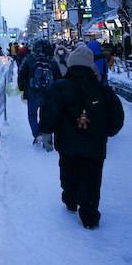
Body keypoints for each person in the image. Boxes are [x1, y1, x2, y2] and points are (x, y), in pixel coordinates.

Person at [38, 45, 124, 229]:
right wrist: (106, 132)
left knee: (69, 173)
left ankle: (70, 199)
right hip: (95, 147)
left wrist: (47, 133)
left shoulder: (59, 87)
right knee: (92, 179)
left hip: (68, 144)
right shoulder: (102, 89)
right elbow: (116, 117)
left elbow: (49, 114)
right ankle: (89, 214)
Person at [18, 39, 62, 143]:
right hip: (48, 91)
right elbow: (58, 76)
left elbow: (22, 73)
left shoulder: (29, 58)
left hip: (33, 90)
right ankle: (45, 134)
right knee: (45, 114)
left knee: (32, 114)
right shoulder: (52, 60)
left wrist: (21, 86)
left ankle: (37, 134)